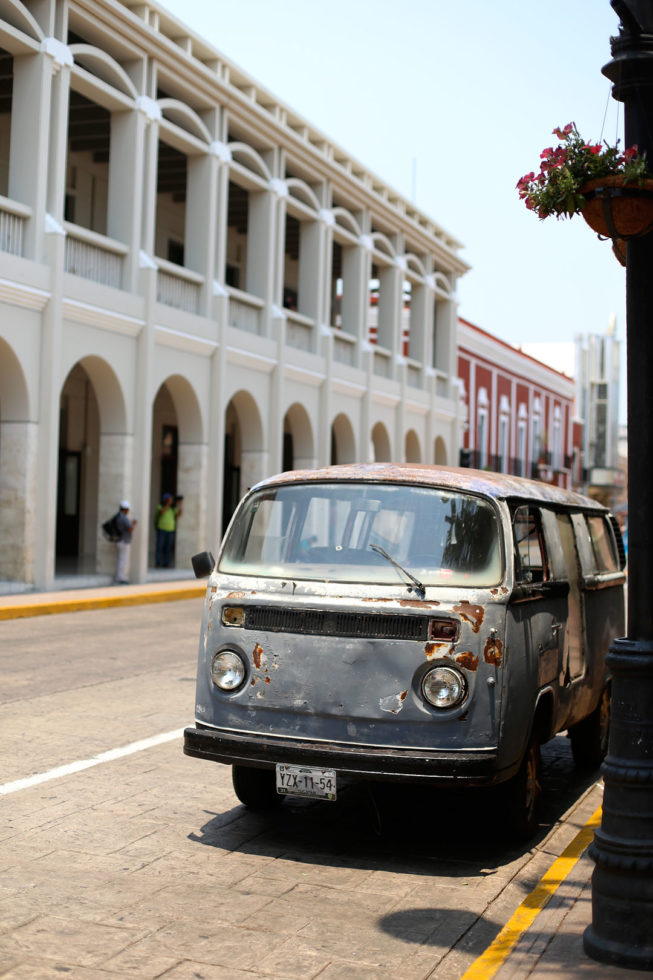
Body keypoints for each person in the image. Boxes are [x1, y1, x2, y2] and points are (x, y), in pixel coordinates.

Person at [155, 492, 183, 568]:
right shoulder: (160, 506)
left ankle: (166, 563)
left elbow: (179, 515)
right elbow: (162, 512)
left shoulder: (172, 509)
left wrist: (180, 504)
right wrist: (168, 503)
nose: (171, 500)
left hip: (170, 531)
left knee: (168, 547)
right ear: (165, 500)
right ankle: (158, 563)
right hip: (162, 530)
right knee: (160, 547)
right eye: (169, 499)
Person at [114, 500, 137, 585]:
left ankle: (118, 577)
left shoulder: (117, 516)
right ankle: (121, 578)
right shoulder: (123, 517)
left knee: (119, 559)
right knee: (123, 560)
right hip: (124, 541)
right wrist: (134, 524)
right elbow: (130, 528)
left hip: (119, 540)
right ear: (126, 509)